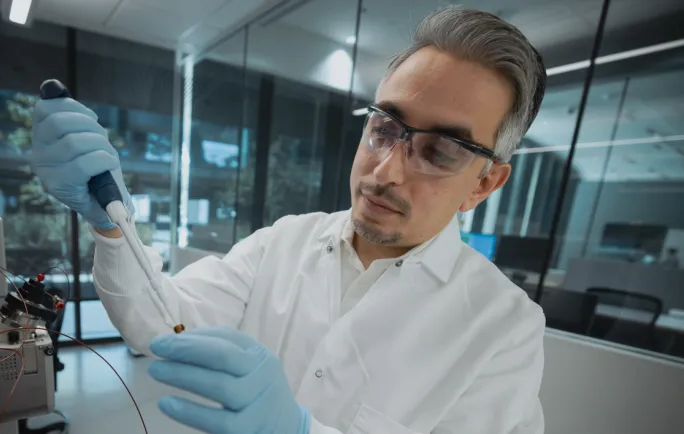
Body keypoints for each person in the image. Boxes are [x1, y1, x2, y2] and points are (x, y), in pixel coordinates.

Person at [30, 7, 547, 434]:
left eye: (439, 152)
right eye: (385, 128)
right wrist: (111, 226)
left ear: (483, 184)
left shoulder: (504, 327)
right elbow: (161, 324)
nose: (386, 171)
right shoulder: (286, 241)